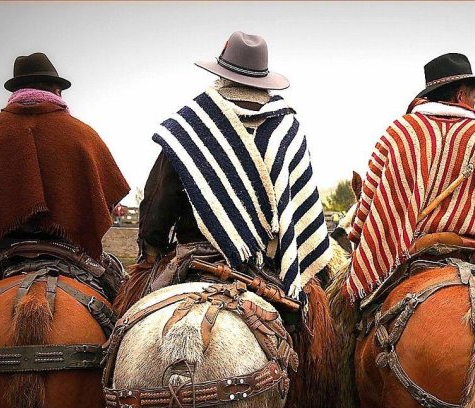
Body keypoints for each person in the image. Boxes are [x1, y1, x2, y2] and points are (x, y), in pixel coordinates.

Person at [137, 31, 331, 303]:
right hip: (263, 267)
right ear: (263, 79)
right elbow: (300, 204)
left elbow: (160, 198)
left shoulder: (191, 125)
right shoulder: (287, 129)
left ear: (222, 73)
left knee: (129, 315)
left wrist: (151, 249)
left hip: (193, 257)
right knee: (308, 333)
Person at [0, 52, 129, 271]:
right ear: (56, 91)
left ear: (17, 91)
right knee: (117, 290)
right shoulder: (83, 134)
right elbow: (106, 201)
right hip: (69, 251)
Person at [345, 52, 475, 300]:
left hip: (409, 253)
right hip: (472, 253)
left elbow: (369, 202)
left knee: (353, 316)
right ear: (461, 95)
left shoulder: (400, 132)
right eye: (474, 95)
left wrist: (361, 231)